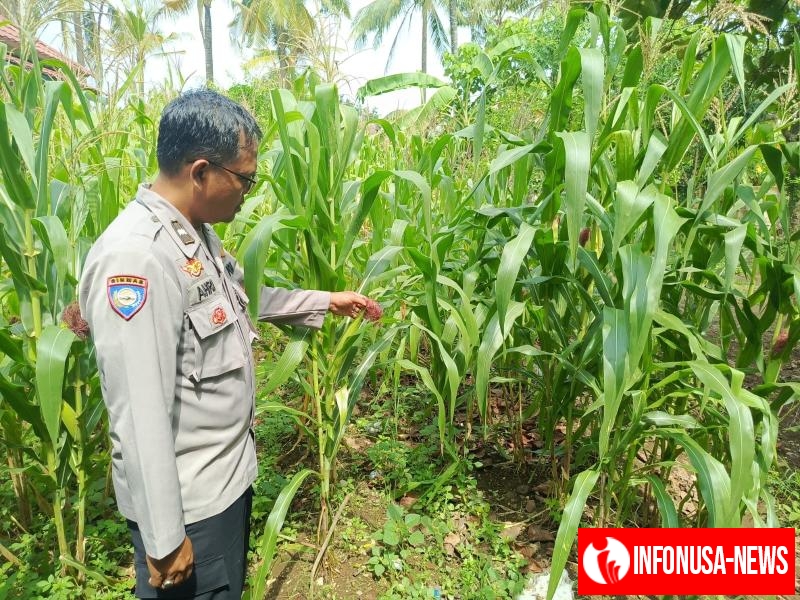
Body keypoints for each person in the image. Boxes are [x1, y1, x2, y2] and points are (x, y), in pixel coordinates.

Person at [78, 89, 369, 599]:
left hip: (225, 484)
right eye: (245, 179)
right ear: (200, 172)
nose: (248, 192)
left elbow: (239, 298)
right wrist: (166, 538)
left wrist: (324, 301)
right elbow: (138, 412)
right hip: (189, 511)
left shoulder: (195, 234)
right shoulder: (138, 259)